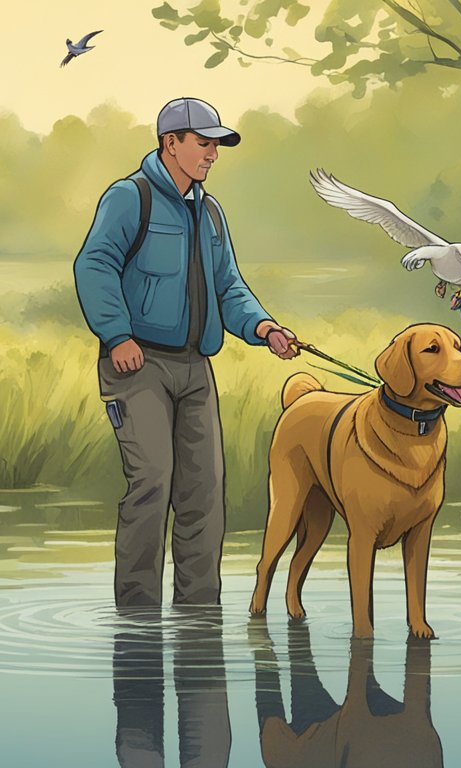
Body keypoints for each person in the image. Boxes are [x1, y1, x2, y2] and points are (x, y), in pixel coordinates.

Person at [73, 97, 298, 608]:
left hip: (197, 368)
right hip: (138, 366)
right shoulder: (129, 198)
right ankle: (137, 621)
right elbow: (94, 265)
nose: (213, 154)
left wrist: (263, 327)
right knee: (151, 486)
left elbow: (229, 286)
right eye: (204, 143)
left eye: (216, 145)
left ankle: (200, 617)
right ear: (169, 143)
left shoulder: (211, 211)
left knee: (205, 495)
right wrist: (117, 336)